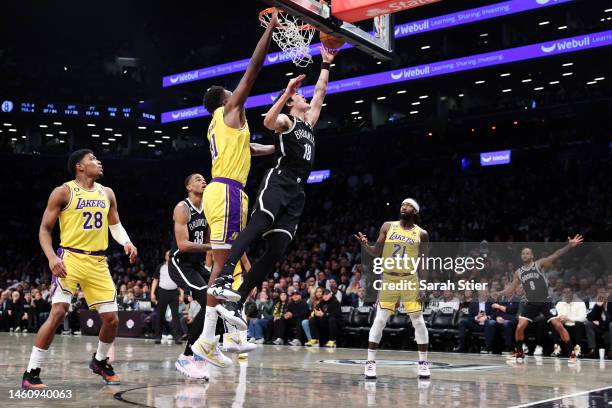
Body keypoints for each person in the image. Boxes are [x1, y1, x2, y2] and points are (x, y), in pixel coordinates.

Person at [211, 47, 338, 325]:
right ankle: (223, 277)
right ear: (291, 104)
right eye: (297, 96)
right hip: (278, 181)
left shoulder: (309, 122)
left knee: (278, 249)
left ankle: (237, 303)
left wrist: (326, 63)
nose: (303, 97)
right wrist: (287, 91)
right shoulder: (287, 120)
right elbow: (268, 120)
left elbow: (320, 93)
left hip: (297, 192)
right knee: (257, 225)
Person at [193, 11, 279, 367]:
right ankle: (212, 339)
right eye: (232, 93)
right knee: (223, 266)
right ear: (224, 99)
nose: (236, 93)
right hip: (227, 192)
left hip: (226, 191)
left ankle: (216, 337)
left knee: (224, 264)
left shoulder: (220, 127)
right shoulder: (229, 111)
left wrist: (287, 147)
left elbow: (255, 150)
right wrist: (272, 29)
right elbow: (254, 69)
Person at [23, 149, 138, 389]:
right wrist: (51, 256)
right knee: (58, 312)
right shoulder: (63, 192)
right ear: (80, 166)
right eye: (92, 159)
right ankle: (31, 372)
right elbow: (45, 229)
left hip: (97, 262)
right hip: (70, 259)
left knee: (112, 320)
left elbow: (115, 225)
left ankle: (99, 361)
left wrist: (126, 241)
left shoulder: (107, 192)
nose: (98, 162)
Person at [355, 198, 431, 380]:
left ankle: (423, 363)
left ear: (415, 212)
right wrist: (365, 244)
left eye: (409, 206)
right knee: (380, 320)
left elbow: (425, 262)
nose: (404, 207)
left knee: (418, 321)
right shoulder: (388, 226)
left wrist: (424, 285)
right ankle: (370, 363)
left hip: (410, 279)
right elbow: (376, 252)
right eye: (403, 204)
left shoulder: (422, 234)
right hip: (389, 278)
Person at [493, 235, 584, 362]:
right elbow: (511, 289)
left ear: (532, 256)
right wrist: (500, 293)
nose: (525, 255)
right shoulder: (518, 272)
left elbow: (556, 255)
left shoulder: (539, 264)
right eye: (523, 253)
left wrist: (569, 245)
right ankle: (519, 352)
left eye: (527, 253)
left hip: (545, 301)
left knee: (558, 325)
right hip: (530, 303)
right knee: (520, 327)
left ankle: (571, 353)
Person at [166, 174, 213, 379]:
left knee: (217, 303)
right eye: (197, 179)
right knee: (207, 301)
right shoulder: (182, 208)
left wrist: (211, 265)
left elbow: (211, 239)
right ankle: (186, 356)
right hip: (180, 264)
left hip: (197, 264)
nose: (203, 181)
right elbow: (183, 245)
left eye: (204, 179)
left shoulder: (209, 207)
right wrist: (212, 247)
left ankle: (200, 351)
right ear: (188, 186)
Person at [151, 250, 183, 345]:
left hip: (174, 293)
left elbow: (180, 282)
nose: (170, 257)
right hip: (162, 292)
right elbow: (155, 280)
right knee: (160, 315)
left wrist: (181, 294)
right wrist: (152, 293)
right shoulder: (160, 267)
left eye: (171, 256)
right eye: (168, 256)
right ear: (165, 257)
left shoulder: (177, 268)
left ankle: (177, 337)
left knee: (175, 316)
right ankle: (158, 337)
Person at [551, 286, 587, 357]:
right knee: (554, 323)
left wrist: (568, 318)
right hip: (564, 327)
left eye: (568, 292)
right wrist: (560, 318)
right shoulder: (559, 303)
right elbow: (556, 316)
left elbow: (583, 318)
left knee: (579, 323)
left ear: (572, 293)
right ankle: (557, 349)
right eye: (564, 293)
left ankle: (577, 350)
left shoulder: (580, 303)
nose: (566, 294)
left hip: (575, 327)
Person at [585, 288, 612, 359]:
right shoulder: (597, 306)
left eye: (603, 293)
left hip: (609, 329)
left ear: (607, 295)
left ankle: (611, 350)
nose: (602, 295)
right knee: (588, 323)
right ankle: (592, 349)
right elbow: (589, 317)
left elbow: (610, 320)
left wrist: (600, 323)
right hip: (600, 330)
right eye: (600, 294)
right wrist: (598, 306)